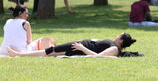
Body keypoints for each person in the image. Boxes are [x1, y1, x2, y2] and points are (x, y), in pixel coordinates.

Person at [7, 32, 136, 58]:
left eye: (119, 35)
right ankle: (20, 54)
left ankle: (19, 54)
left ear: (121, 41)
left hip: (77, 48)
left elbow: (98, 56)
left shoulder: (114, 49)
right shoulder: (114, 46)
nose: (117, 35)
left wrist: (82, 47)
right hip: (78, 46)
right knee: (51, 52)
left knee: (50, 50)